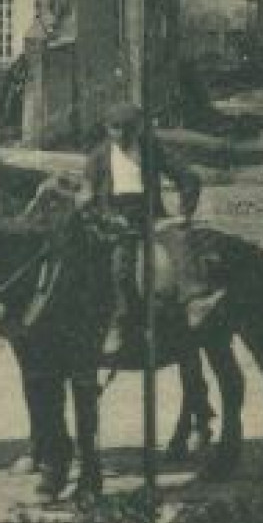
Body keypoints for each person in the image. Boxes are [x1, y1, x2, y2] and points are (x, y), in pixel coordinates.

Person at [80, 101, 200, 358]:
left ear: (140, 128)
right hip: (116, 222)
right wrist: (105, 217)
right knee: (119, 264)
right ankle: (119, 324)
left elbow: (188, 177)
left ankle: (194, 301)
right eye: (115, 129)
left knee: (180, 242)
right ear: (106, 128)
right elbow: (87, 197)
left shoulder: (152, 150)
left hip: (151, 218)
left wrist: (182, 215)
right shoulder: (98, 157)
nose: (122, 135)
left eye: (129, 129)